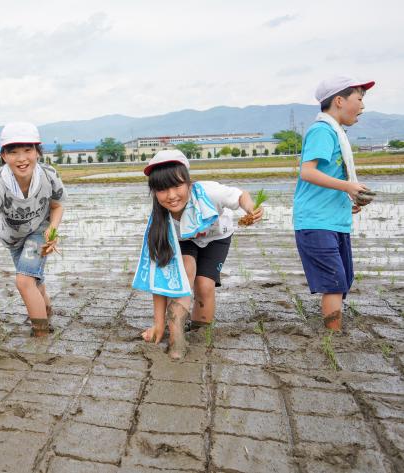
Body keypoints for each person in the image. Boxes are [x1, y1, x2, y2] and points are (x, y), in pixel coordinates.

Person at [136, 150, 263, 359]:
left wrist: (251, 208)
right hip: (182, 240)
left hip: (217, 238)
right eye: (162, 190)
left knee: (204, 286)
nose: (171, 196)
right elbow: (159, 282)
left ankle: (200, 331)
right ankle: (176, 338)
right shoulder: (160, 225)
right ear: (154, 192)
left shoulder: (209, 192)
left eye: (177, 186)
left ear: (188, 183)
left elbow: (241, 196)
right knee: (185, 273)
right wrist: (158, 325)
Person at [0, 122, 65, 337]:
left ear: (37, 152)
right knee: (34, 282)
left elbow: (57, 205)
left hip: (39, 231)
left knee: (24, 281)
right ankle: (46, 310)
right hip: (13, 240)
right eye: (13, 152)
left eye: (28, 150)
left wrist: (53, 230)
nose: (22, 159)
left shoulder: (49, 176)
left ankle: (41, 334)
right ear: (3, 155)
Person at [293, 76, 375, 332]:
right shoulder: (322, 131)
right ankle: (334, 335)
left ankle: (334, 330)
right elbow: (308, 172)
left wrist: (346, 199)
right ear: (339, 101)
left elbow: (330, 176)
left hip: (333, 220)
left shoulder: (336, 133)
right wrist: (348, 187)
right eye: (359, 99)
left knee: (343, 279)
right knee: (334, 282)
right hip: (316, 222)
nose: (362, 106)